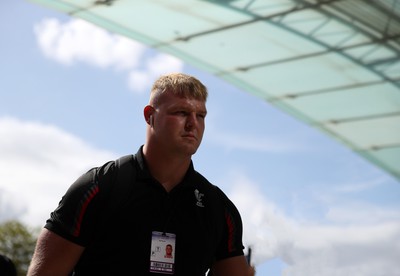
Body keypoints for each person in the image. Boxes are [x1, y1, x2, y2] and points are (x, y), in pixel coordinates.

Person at [28, 73, 255, 275]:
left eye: (201, 115)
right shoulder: (98, 188)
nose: (193, 124)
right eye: (181, 112)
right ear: (149, 116)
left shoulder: (218, 208)